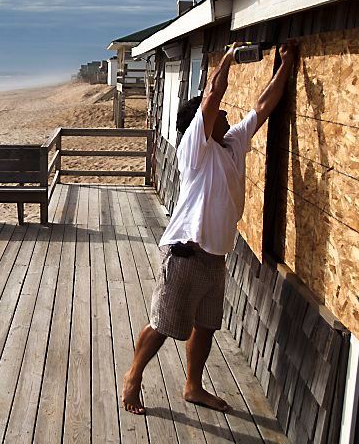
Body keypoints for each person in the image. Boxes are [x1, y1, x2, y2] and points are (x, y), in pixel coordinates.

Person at [121, 39, 298, 415]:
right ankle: (134, 377)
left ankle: (193, 386)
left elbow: (265, 105)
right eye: (219, 114)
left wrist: (286, 62)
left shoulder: (232, 144)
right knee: (164, 324)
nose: (226, 115)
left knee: (205, 326)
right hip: (185, 252)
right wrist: (230, 58)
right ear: (201, 124)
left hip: (216, 256)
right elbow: (213, 94)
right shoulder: (195, 149)